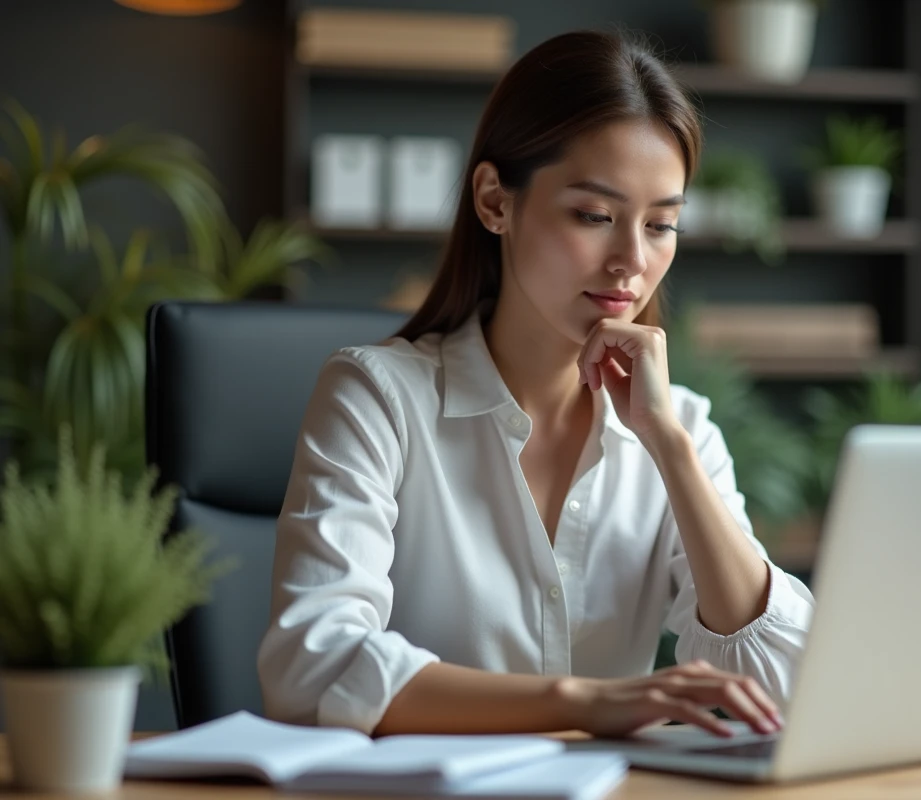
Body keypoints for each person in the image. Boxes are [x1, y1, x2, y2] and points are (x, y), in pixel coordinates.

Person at [257, 29, 814, 740]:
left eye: (662, 225)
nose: (631, 262)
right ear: (495, 200)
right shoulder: (376, 400)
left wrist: (669, 448)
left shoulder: (682, 429)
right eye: (594, 216)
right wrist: (583, 702)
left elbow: (783, 689)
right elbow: (314, 670)